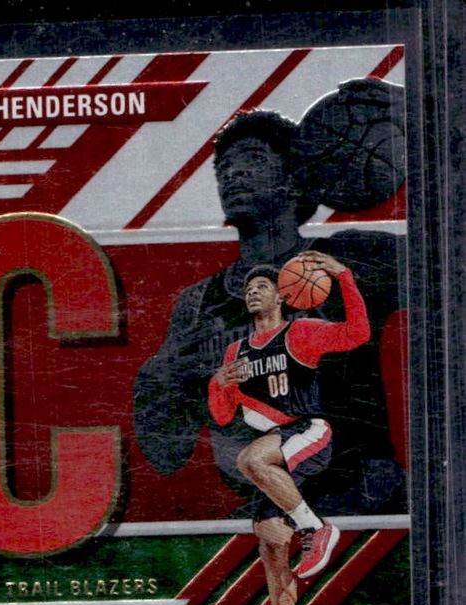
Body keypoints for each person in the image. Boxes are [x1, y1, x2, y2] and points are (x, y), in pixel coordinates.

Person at [134, 90, 406, 516]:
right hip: (268, 506)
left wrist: (423, 128)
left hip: (363, 496)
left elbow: (448, 257)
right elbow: (165, 454)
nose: (234, 173)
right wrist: (164, 378)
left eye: (254, 160)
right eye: (224, 167)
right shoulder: (198, 303)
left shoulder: (353, 256)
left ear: (295, 178)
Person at [208, 251, 370, 605]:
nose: (252, 293)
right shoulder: (236, 352)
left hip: (308, 431)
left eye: (261, 286)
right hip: (276, 453)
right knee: (272, 551)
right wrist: (218, 384)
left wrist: (343, 276)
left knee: (250, 459)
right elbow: (222, 416)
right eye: (248, 289)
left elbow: (358, 333)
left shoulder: (300, 332)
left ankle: (316, 528)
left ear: (283, 295)